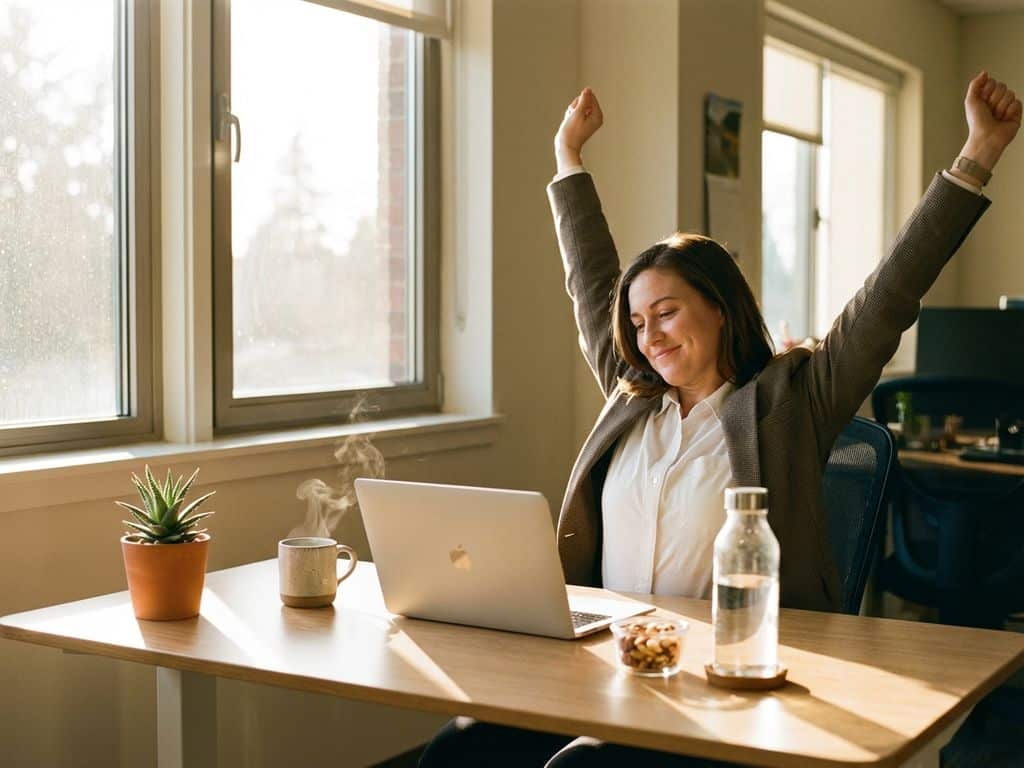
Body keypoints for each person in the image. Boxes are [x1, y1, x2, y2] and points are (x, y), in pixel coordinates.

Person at [418, 72, 1021, 767]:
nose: (651, 337)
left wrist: (978, 153)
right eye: (639, 323)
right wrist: (567, 159)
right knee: (459, 750)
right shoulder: (631, 395)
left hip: (725, 683)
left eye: (668, 313)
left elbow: (890, 292)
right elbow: (591, 278)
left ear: (720, 306)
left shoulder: (791, 400)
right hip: (611, 667)